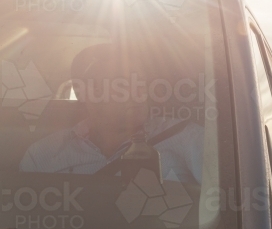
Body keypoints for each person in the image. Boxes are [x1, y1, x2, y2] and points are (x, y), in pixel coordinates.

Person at [20, 44, 203, 183]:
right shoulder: (42, 155)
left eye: (139, 81)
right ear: (83, 92)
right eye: (121, 84)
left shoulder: (187, 138)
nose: (137, 92)